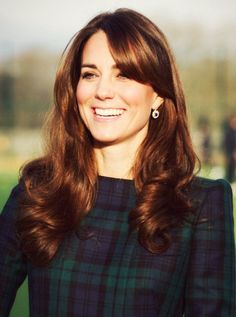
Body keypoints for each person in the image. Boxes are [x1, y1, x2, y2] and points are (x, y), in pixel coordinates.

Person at [0, 8, 235, 317]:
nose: (103, 91)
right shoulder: (37, 194)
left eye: (124, 74)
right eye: (90, 74)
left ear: (158, 96)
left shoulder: (200, 206)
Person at [223, 114, 236, 183]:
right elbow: (226, 144)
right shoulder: (228, 132)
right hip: (229, 153)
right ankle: (229, 181)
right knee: (229, 168)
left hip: (233, 153)